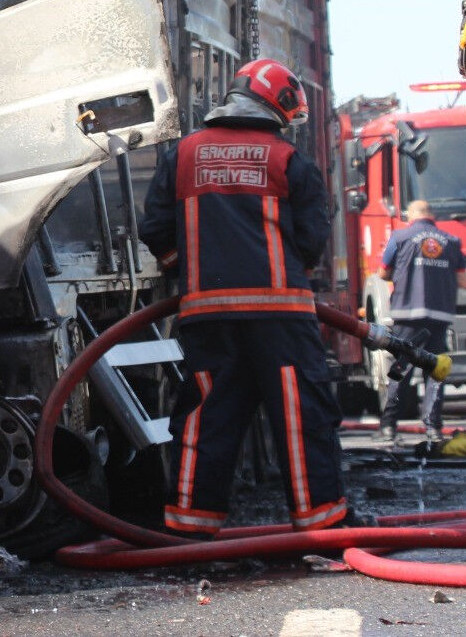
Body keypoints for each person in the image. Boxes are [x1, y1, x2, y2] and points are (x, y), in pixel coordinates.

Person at [139, 58, 351, 536]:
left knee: (207, 417)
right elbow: (311, 238)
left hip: (207, 314)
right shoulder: (287, 159)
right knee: (300, 415)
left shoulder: (182, 155)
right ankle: (321, 523)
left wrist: (190, 271)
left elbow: (154, 229)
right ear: (278, 104)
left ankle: (190, 526)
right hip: (282, 318)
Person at [377, 199, 466, 444]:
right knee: (435, 371)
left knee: (401, 370)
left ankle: (389, 427)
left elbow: (383, 272)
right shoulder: (452, 240)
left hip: (407, 315)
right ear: (431, 215)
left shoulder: (400, 237)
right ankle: (433, 428)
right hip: (439, 315)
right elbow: (462, 280)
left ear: (410, 216)